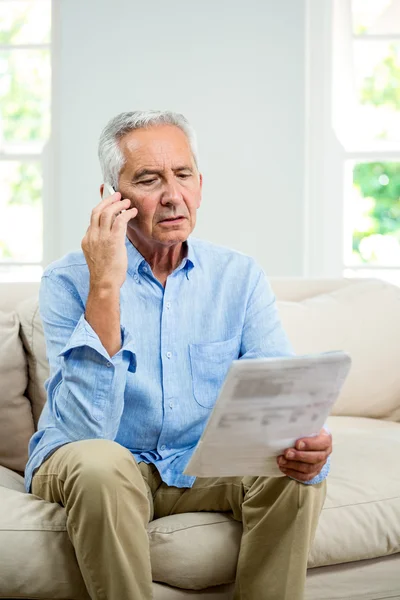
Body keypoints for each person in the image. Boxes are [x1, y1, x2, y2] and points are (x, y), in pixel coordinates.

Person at [25, 110, 332, 600]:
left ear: (200, 184)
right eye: (149, 179)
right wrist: (105, 284)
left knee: (293, 471)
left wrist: (304, 442)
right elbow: (85, 431)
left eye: (183, 175)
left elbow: (275, 400)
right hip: (96, 463)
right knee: (102, 462)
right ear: (112, 199)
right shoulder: (68, 281)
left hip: (197, 461)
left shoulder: (239, 276)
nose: (173, 195)